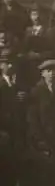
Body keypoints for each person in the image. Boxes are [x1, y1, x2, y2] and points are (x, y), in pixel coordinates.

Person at [0, 48, 29, 186]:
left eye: (12, 63)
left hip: (18, 133)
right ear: (1, 65)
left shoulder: (21, 84)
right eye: (6, 63)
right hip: (3, 133)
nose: (10, 66)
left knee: (16, 169)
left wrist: (24, 98)